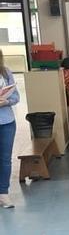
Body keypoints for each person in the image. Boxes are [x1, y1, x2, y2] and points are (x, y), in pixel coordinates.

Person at [0, 49, 20, 209]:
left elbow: (15, 97)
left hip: (6, 121)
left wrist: (5, 102)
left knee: (5, 159)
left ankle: (3, 193)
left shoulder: (6, 73)